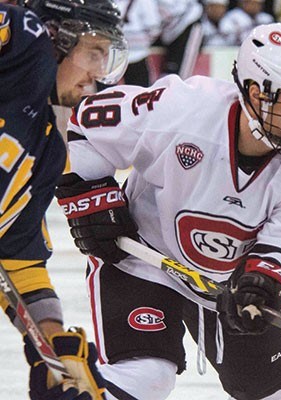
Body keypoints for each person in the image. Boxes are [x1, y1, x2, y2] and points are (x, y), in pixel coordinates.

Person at [55, 21, 281, 399]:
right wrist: (90, 195)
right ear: (256, 94)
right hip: (144, 259)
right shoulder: (183, 110)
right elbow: (87, 125)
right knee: (147, 375)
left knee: (273, 392)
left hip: (229, 281)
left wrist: (263, 281)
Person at [0, 0, 128, 398]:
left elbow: (19, 259)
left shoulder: (49, 151)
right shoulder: (25, 37)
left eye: (107, 57)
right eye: (94, 52)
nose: (100, 73)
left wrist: (51, 343)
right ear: (58, 35)